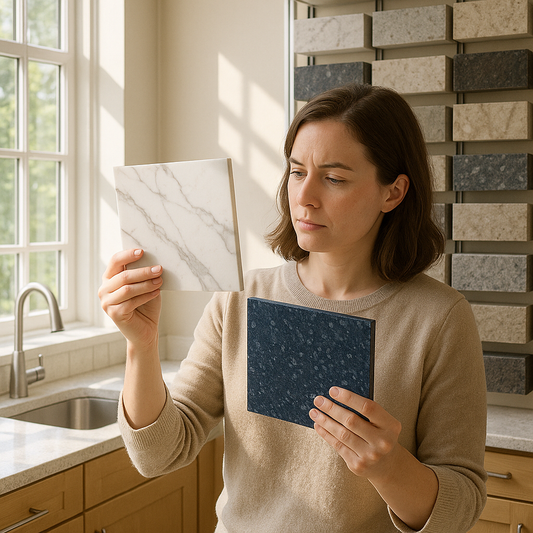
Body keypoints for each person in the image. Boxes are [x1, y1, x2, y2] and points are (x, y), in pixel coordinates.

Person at [99, 83, 487, 532]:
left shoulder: (438, 319)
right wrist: (141, 346)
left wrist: (389, 467)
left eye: (335, 178)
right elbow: (158, 453)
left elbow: (461, 507)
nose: (304, 196)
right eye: (297, 171)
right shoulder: (241, 297)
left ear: (393, 193)